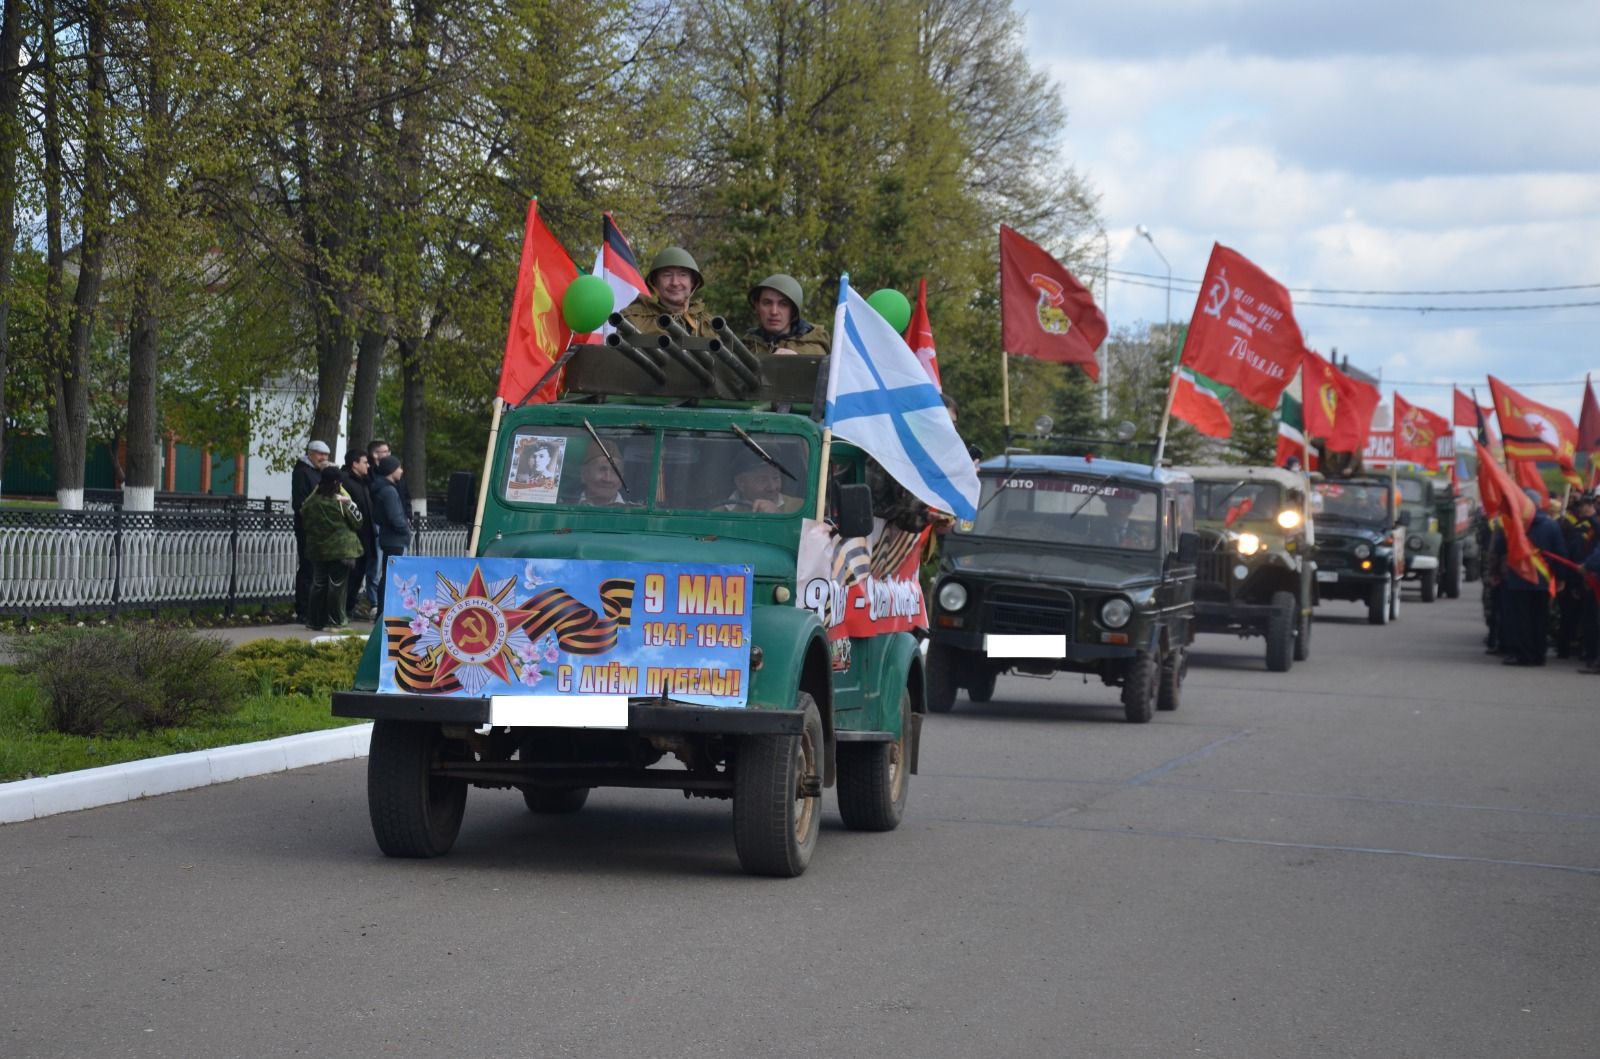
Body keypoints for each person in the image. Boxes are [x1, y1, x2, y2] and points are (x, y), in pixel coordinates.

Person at [1497, 488, 1566, 666]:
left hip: (1519, 580)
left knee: (1522, 620)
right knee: (1541, 619)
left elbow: (1500, 549)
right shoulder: (1552, 525)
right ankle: (1539, 655)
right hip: (1542, 581)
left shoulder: (1514, 525)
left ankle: (1525, 655)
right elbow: (1560, 553)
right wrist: (1561, 578)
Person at [300, 466, 364, 630]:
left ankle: (314, 621)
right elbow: (358, 521)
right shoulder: (341, 502)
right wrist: (350, 503)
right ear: (337, 483)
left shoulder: (311, 502)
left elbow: (304, 516)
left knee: (318, 583)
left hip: (318, 550)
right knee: (337, 586)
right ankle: (337, 620)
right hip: (341, 551)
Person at [617, 247, 717, 337]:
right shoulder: (634, 320)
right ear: (654, 282)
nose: (675, 283)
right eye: (667, 275)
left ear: (693, 283)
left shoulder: (709, 324)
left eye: (683, 275)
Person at [290, 439, 331, 621]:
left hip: (319, 528)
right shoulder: (302, 473)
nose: (323, 458)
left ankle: (315, 608)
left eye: (326, 455)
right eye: (320, 454)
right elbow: (302, 502)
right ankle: (303, 609)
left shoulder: (318, 472)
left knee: (317, 569)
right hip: (308, 528)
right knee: (308, 568)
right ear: (310, 454)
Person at [742, 274, 830, 357]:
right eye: (767, 303)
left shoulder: (814, 349)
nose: (774, 312)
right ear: (757, 306)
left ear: (793, 310)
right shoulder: (746, 347)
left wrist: (799, 361)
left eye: (783, 304)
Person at [368, 456, 411, 611]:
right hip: (395, 540)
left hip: (389, 538)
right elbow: (395, 517)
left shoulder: (384, 489)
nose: (401, 471)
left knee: (388, 576)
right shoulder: (389, 491)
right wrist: (405, 530)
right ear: (391, 470)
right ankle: (385, 611)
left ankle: (384, 610)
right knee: (391, 577)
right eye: (399, 467)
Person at [340, 449, 377, 620]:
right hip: (353, 536)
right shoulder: (346, 481)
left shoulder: (363, 482)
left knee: (359, 574)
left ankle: (350, 606)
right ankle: (343, 608)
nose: (368, 466)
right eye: (365, 462)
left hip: (365, 535)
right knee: (350, 575)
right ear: (354, 464)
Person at [722, 449, 803, 513]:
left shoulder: (800, 508)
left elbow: (812, 533)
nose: (772, 487)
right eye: (762, 480)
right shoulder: (719, 513)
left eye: (776, 478)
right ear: (741, 483)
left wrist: (779, 517)